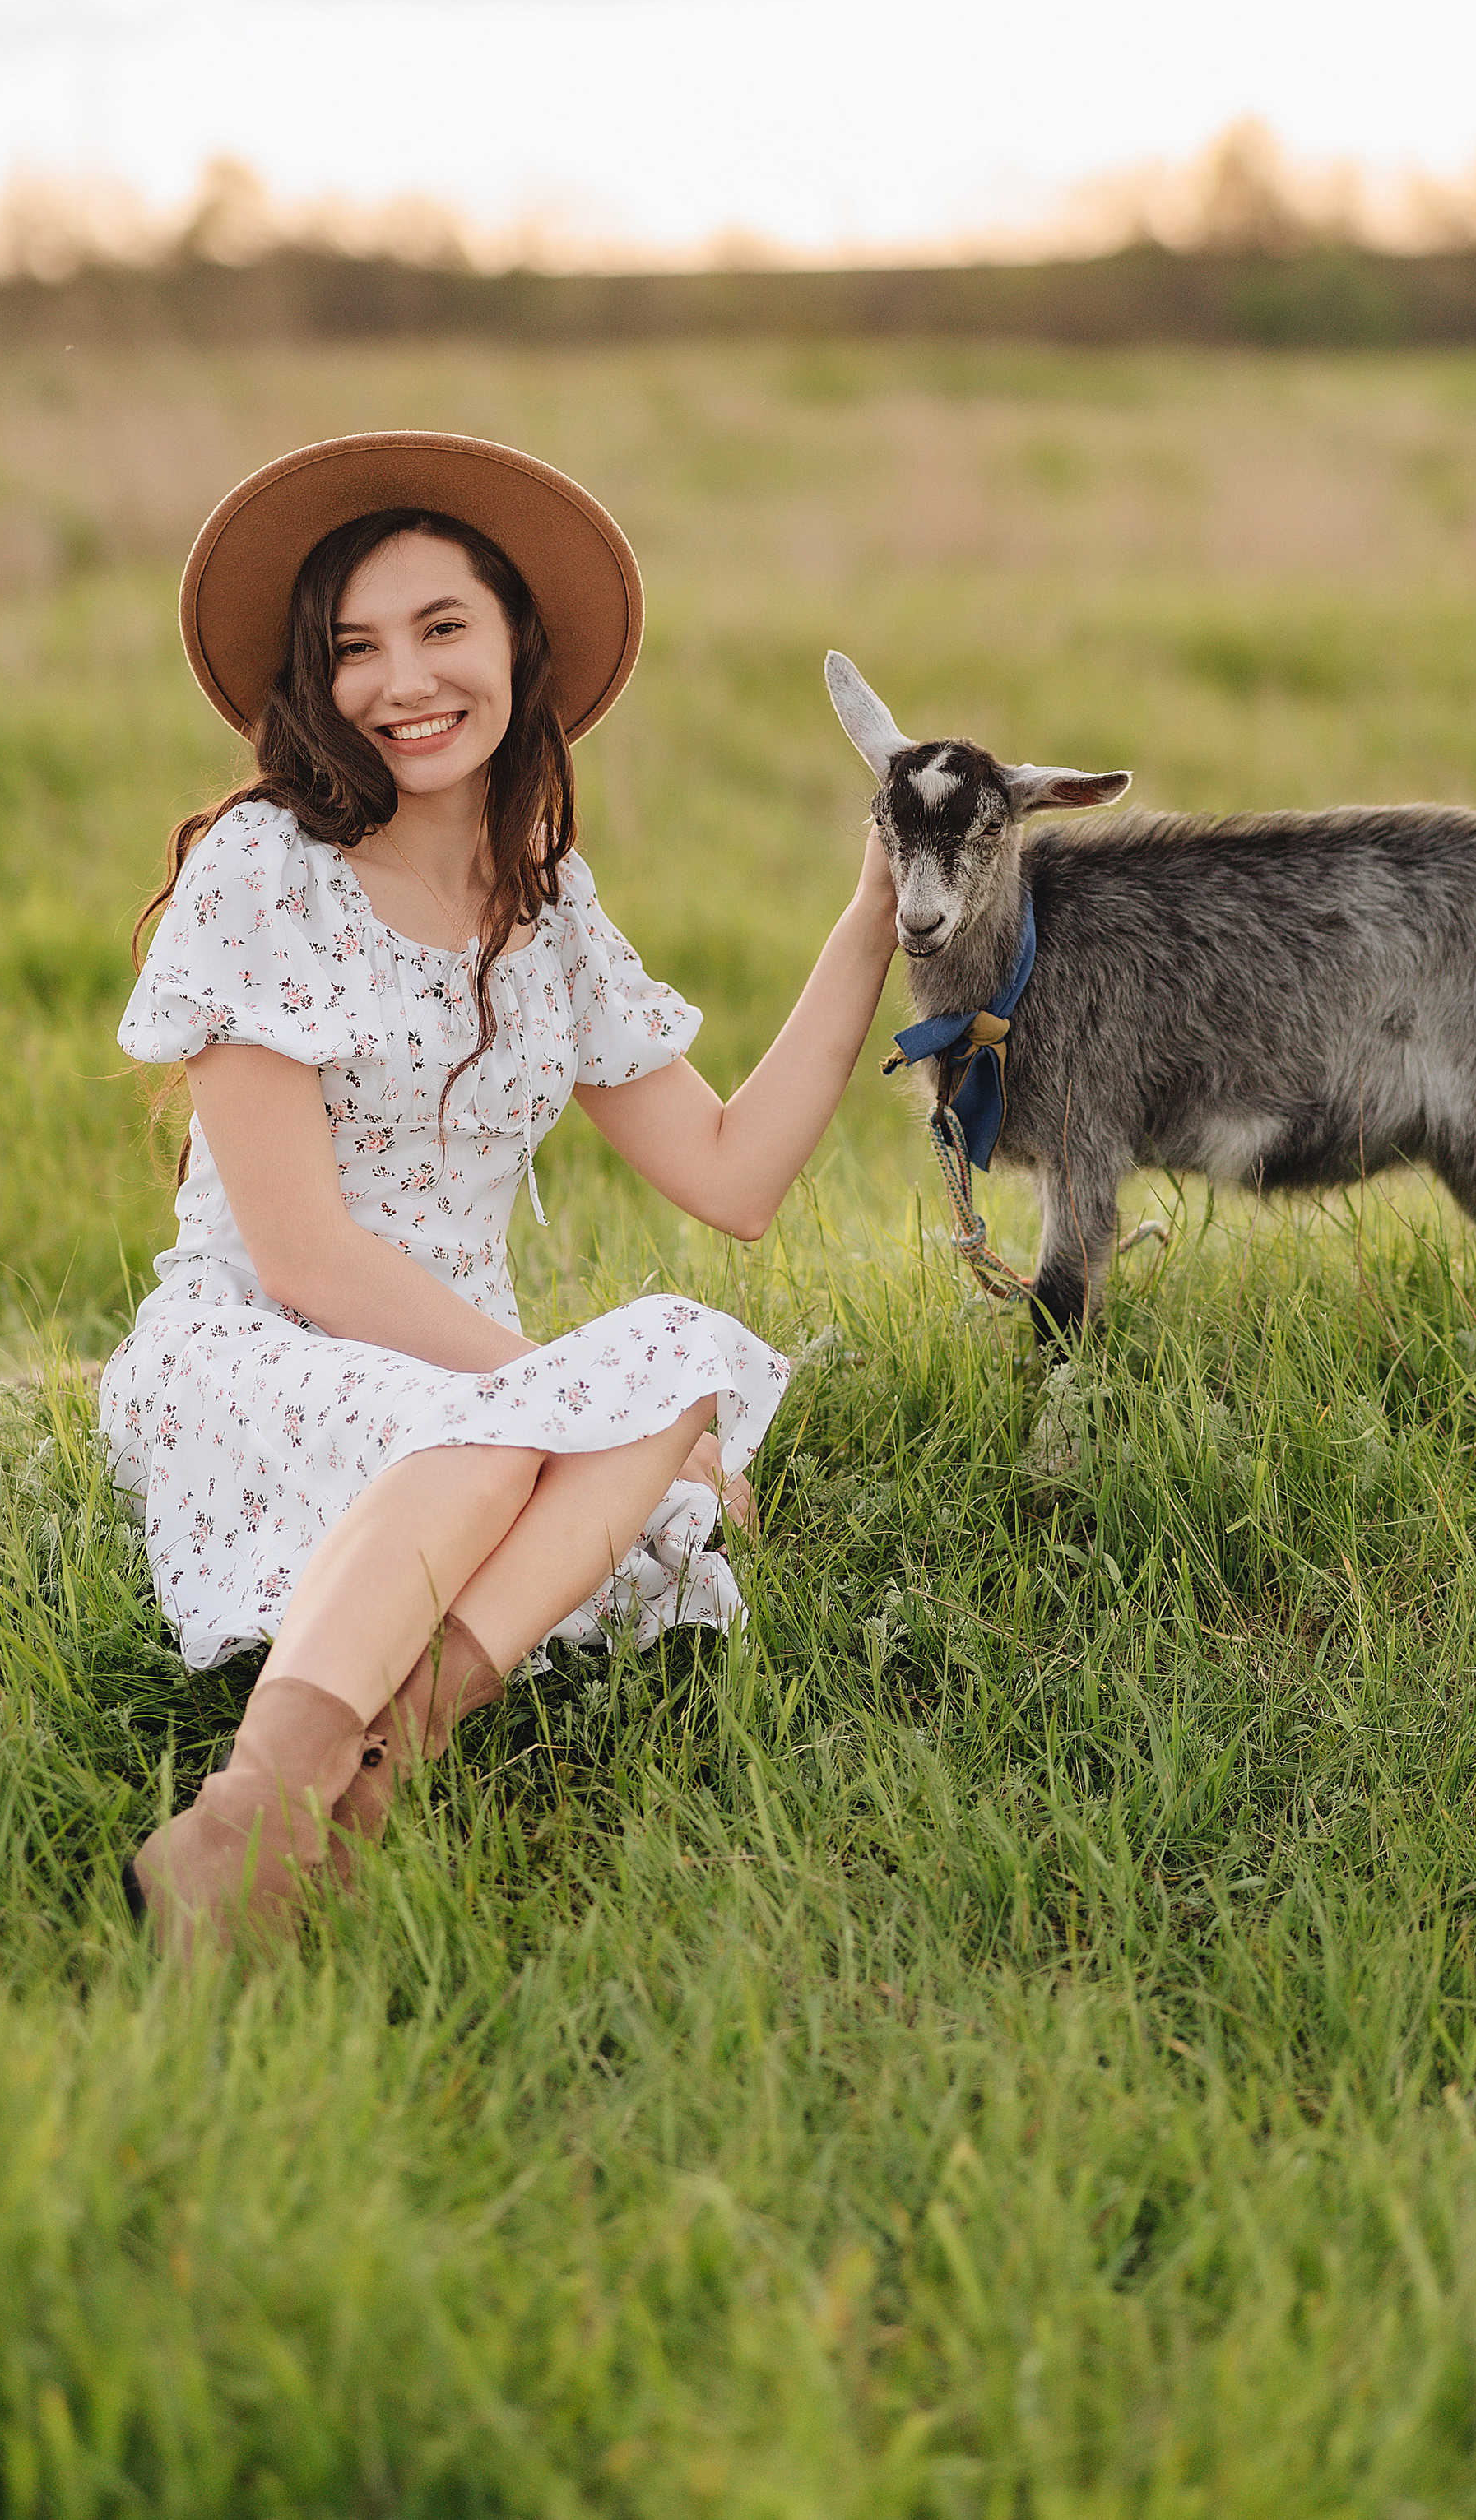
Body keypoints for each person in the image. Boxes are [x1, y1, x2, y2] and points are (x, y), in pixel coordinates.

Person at [102, 430, 897, 1956]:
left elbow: (731, 1176)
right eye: (355, 648)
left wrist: (873, 918)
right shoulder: (264, 868)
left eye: (442, 628)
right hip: (258, 1352)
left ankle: (368, 1780)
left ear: (518, 646)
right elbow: (309, 1257)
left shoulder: (545, 897)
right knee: (543, 1429)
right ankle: (244, 1824)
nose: (404, 680)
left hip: (465, 1392)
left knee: (678, 1357)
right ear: (311, 680)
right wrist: (555, 1400)